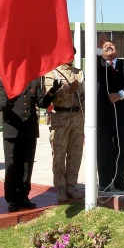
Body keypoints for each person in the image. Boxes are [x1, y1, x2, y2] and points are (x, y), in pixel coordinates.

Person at [0, 77, 59, 212]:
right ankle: (12, 199)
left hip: (29, 130)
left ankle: (24, 196)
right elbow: (0, 104)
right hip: (12, 130)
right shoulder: (4, 81)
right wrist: (11, 97)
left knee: (27, 165)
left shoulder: (33, 81)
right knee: (12, 165)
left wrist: (52, 91)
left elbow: (41, 102)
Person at [43, 49, 85, 202]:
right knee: (59, 154)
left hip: (77, 117)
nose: (69, 56)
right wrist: (68, 90)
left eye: (72, 53)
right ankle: (60, 187)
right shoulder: (52, 73)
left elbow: (84, 96)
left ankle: (71, 185)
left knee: (76, 153)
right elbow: (50, 96)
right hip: (60, 117)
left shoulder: (79, 73)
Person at [96, 38, 124, 193]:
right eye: (105, 46)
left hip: (121, 115)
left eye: (111, 45)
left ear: (117, 49)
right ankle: (105, 182)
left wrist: (120, 94)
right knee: (104, 149)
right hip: (103, 115)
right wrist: (100, 51)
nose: (108, 47)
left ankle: (120, 181)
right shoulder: (98, 65)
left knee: (121, 148)